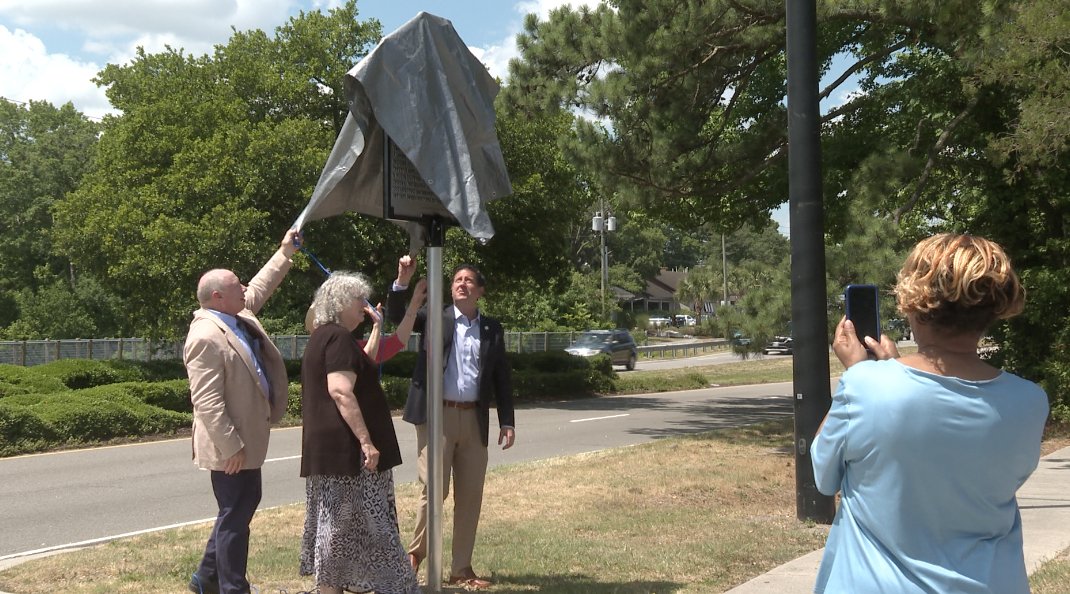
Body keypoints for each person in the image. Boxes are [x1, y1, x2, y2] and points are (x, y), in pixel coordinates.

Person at [811, 233, 1049, 593]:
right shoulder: (1030, 400)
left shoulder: (865, 386)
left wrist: (861, 372)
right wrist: (886, 371)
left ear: (912, 302)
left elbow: (824, 475)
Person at [386, 256, 515, 589]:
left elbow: (501, 377)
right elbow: (397, 316)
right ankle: (415, 556)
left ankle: (461, 570)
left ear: (480, 291)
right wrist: (403, 281)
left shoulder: (491, 328)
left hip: (474, 418)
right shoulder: (435, 317)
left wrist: (507, 420)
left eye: (469, 280)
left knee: (470, 495)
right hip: (437, 416)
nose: (461, 283)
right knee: (434, 488)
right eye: (457, 279)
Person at [184, 229, 301, 594]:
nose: (244, 290)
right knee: (235, 516)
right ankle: (233, 588)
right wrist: (231, 446)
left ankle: (205, 578)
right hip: (230, 448)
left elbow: (261, 285)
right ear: (218, 296)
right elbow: (206, 400)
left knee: (239, 508)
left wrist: (284, 252)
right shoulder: (205, 335)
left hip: (246, 442)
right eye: (237, 287)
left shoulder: (236, 313)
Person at [299, 271, 427, 594]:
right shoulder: (338, 338)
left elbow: (360, 365)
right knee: (373, 526)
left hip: (332, 453)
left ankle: (334, 587)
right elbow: (341, 390)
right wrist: (366, 441)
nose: (364, 304)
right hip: (349, 454)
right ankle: (398, 587)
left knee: (337, 527)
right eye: (359, 299)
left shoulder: (324, 337)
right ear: (340, 302)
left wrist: (376, 328)